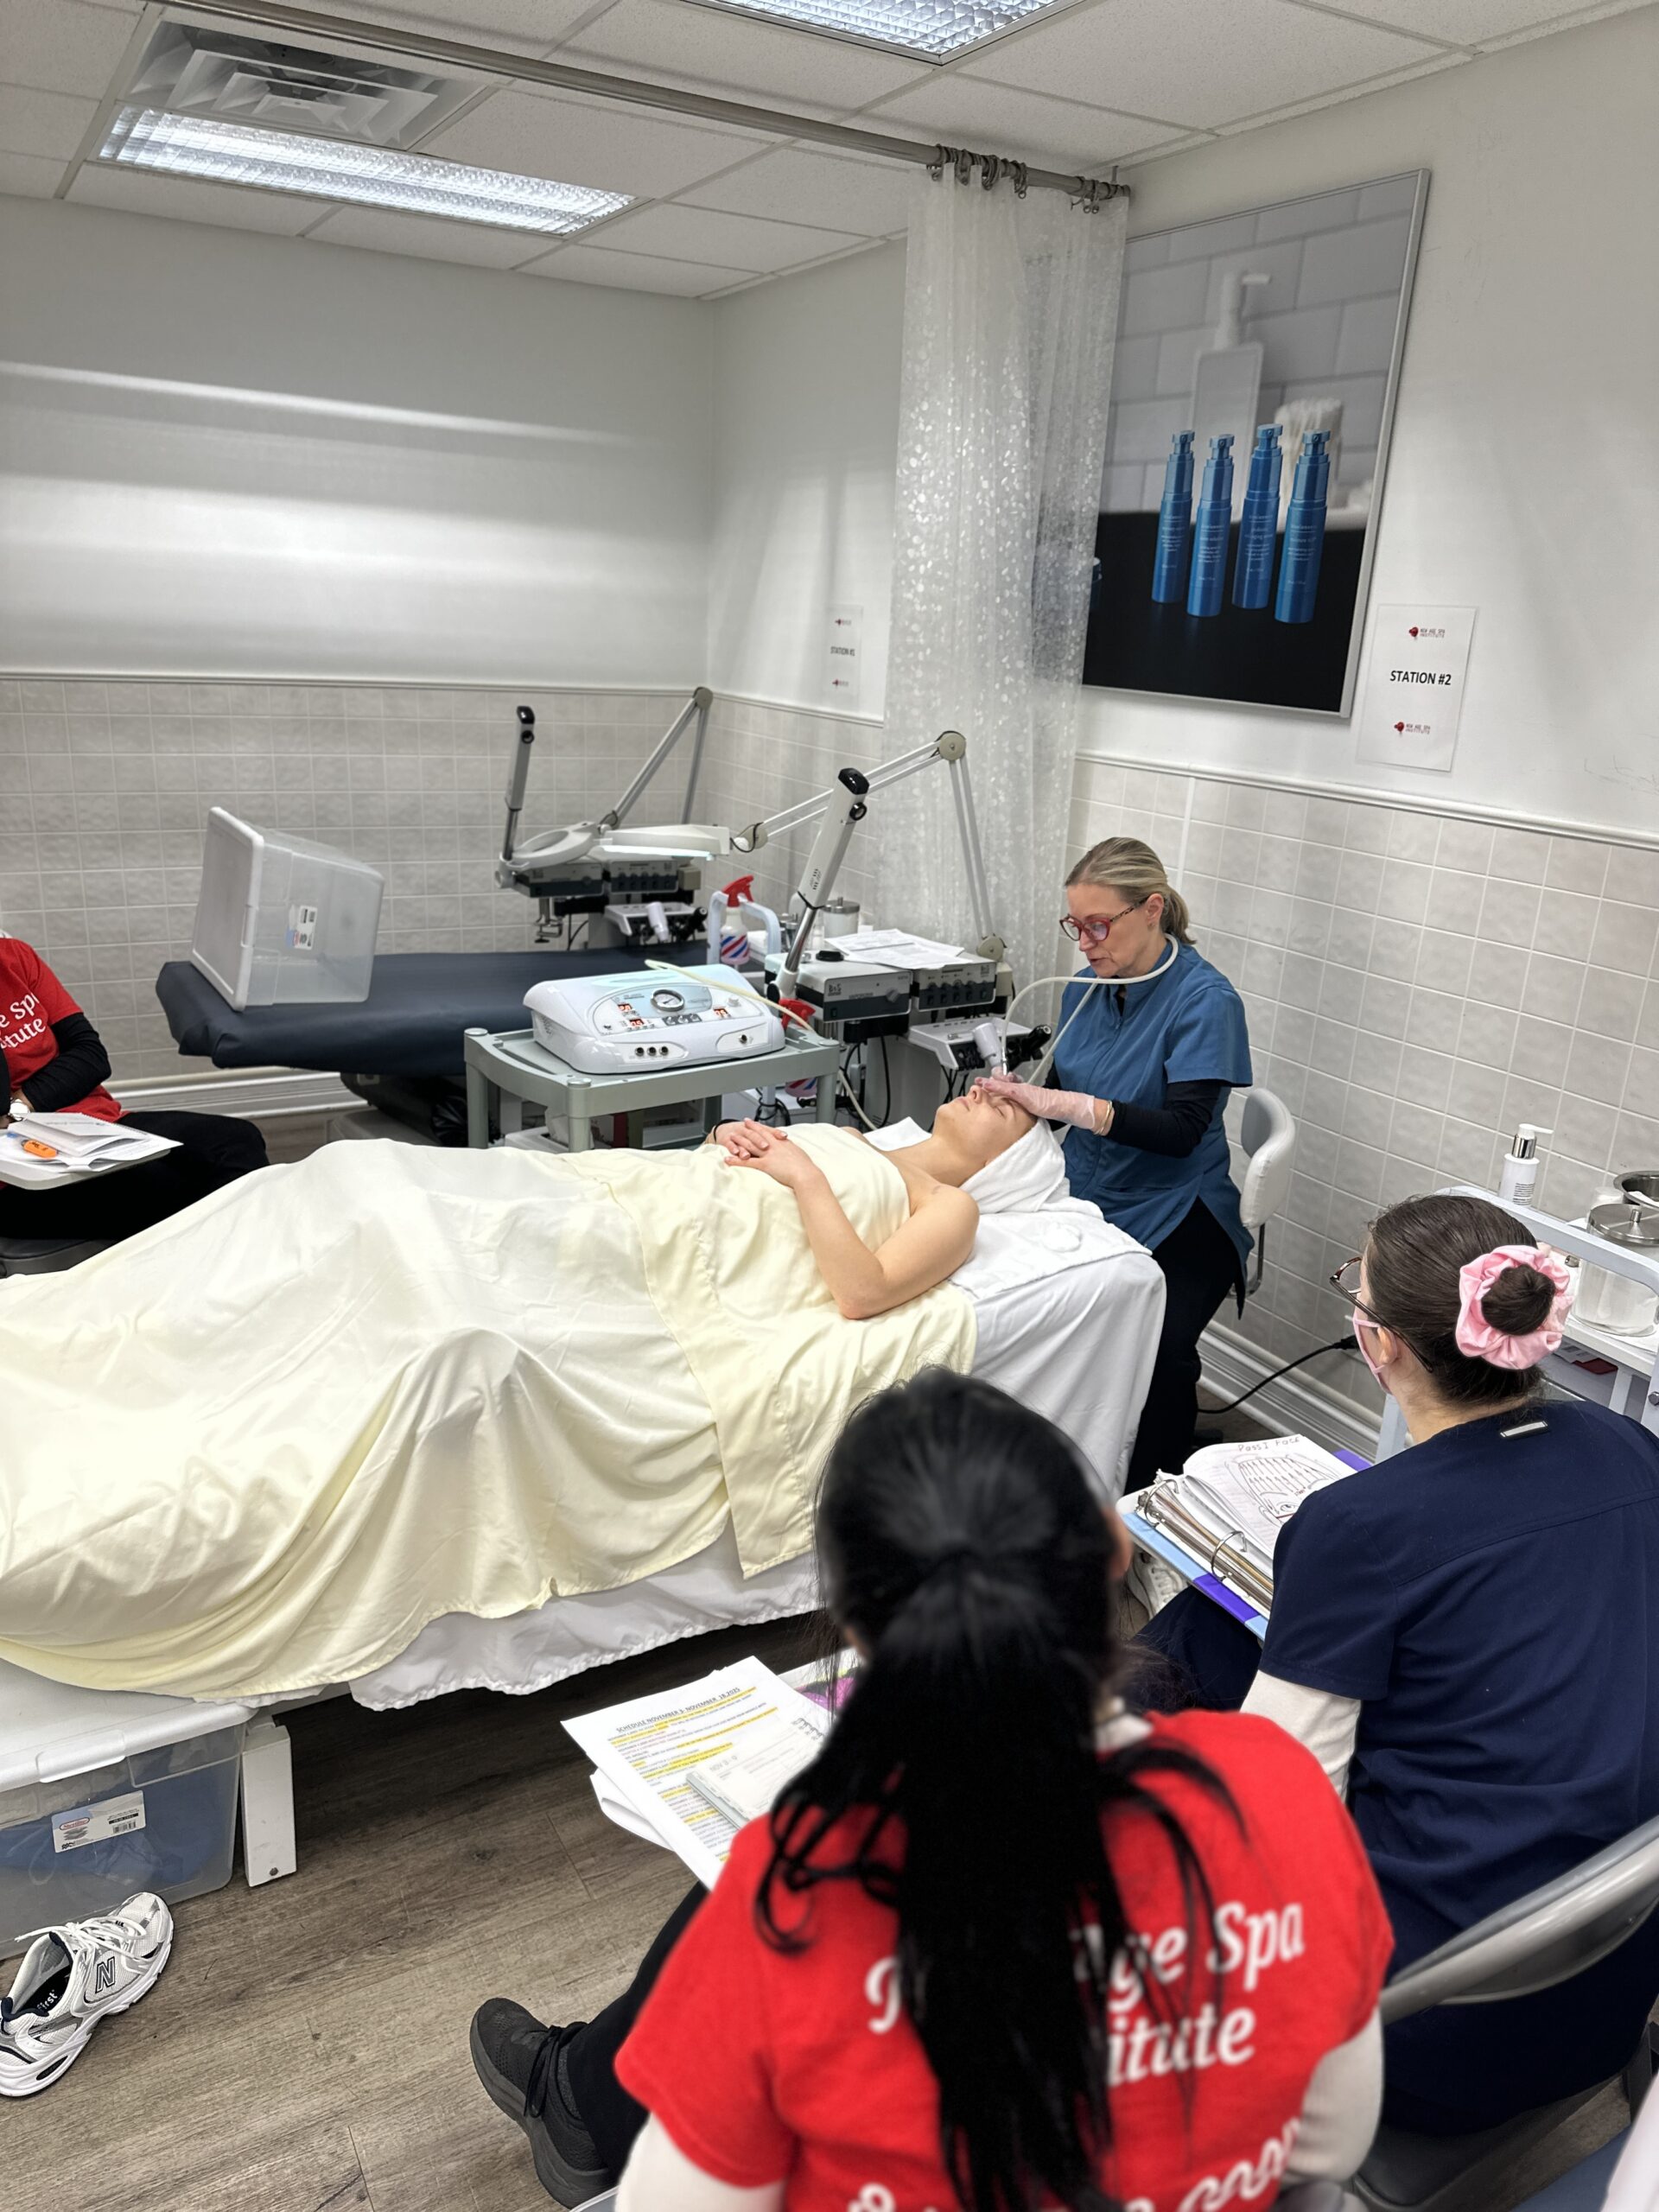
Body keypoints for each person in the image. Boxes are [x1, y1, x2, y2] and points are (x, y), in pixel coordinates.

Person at [471, 1371, 1393, 2209]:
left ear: (859, 1631)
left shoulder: (791, 1894)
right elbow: (1333, 2144)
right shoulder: (1277, 1789)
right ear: (1116, 1544)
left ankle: (572, 2099)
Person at [1136, 1192, 1659, 2136]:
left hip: (1425, 2029)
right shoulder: (1627, 1447)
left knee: (1174, 1663)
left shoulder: (1357, 1526)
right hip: (1608, 1984)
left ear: (1382, 1346)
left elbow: (1281, 1818)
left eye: (1358, 1289)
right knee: (1207, 1631)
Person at [981, 836, 1251, 1488]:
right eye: (1075, 926)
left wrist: (1065, 1104)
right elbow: (1061, 1096)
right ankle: (1058, 1467)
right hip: (1086, 1196)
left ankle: (1152, 1496)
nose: (1085, 943)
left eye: (1098, 925)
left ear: (1152, 909)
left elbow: (1182, 1131)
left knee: (1156, 1349)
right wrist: (1013, 1102)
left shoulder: (1205, 1000)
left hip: (1181, 1210)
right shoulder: (1085, 989)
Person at [0, 933, 266, 1243]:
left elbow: (91, 1057)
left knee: (237, 1141)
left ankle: (247, 1265)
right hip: (16, 1174)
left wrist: (21, 1105)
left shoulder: (16, 957)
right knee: (168, 1185)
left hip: (94, 1126)